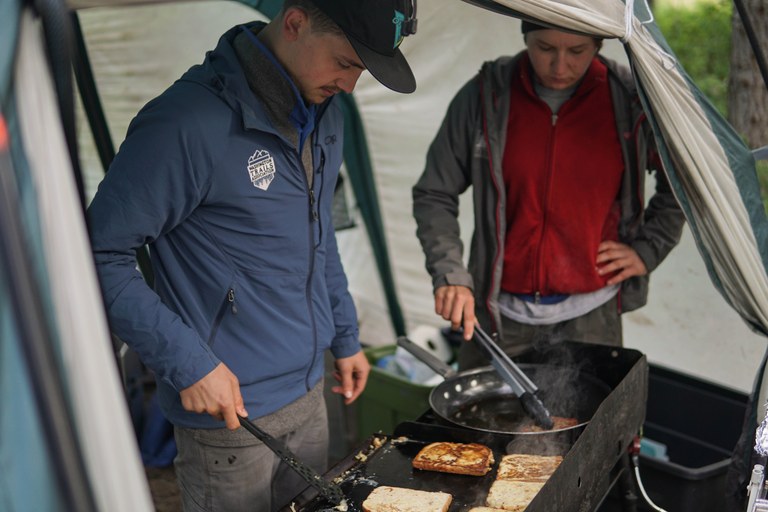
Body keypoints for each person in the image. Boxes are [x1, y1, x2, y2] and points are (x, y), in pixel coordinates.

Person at [87, 1, 417, 510]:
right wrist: (188, 363)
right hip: (230, 416)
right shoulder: (185, 123)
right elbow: (97, 255)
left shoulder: (328, 112)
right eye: (345, 63)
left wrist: (346, 334)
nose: (351, 86)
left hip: (311, 393)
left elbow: (319, 232)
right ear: (295, 22)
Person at [412, 20, 685, 370]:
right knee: (484, 405)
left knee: (590, 406)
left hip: (592, 316)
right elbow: (435, 193)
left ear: (599, 44)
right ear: (525, 37)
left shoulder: (629, 100)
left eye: (577, 51)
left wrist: (649, 248)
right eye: (544, 48)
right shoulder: (486, 96)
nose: (559, 66)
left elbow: (683, 181)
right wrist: (450, 273)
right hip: (498, 312)